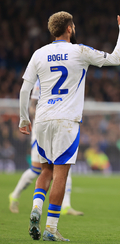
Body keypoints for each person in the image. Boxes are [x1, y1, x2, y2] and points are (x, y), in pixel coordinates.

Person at [19, 10, 120, 241]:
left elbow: (25, 89)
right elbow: (115, 59)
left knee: (45, 170)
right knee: (61, 174)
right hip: (66, 121)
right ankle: (51, 229)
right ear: (70, 28)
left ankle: (36, 208)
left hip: (42, 119)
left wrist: (24, 119)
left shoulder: (39, 54)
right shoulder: (80, 51)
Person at [10, 80, 83, 216]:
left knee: (65, 166)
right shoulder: (42, 79)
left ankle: (66, 205)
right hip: (43, 129)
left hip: (59, 126)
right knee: (37, 169)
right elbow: (32, 107)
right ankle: (14, 196)